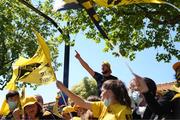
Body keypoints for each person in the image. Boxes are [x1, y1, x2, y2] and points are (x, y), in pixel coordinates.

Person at [56, 79, 132, 120]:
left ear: (109, 92)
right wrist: (63, 88)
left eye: (102, 91)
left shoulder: (124, 110)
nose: (100, 94)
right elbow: (82, 102)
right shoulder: (103, 105)